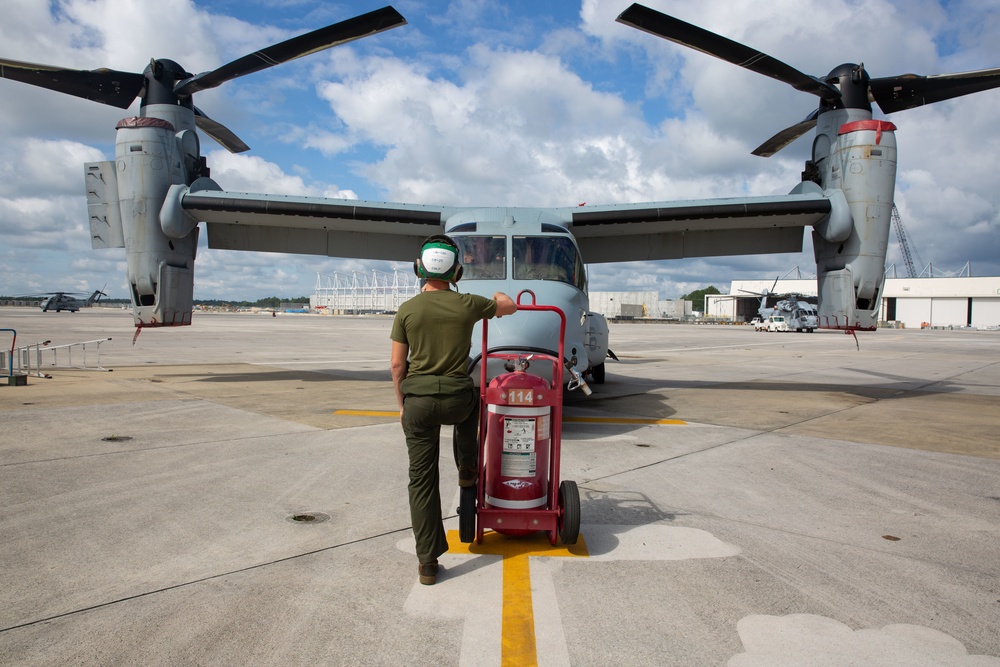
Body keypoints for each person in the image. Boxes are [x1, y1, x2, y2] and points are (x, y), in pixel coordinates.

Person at [390, 235, 517, 585]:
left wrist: (402, 405)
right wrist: (494, 297)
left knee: (422, 480)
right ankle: (467, 467)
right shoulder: (468, 304)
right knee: (470, 403)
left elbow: (398, 367)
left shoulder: (407, 310)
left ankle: (427, 563)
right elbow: (508, 306)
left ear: (419, 269)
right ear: (456, 270)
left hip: (418, 402)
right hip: (457, 399)